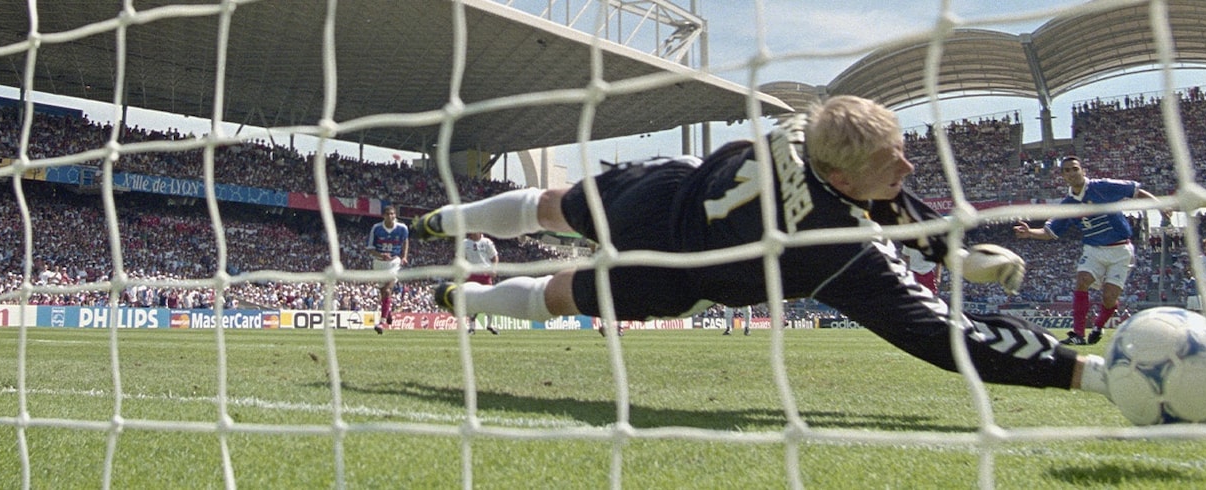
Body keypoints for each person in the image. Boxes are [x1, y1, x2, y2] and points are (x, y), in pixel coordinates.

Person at [409, 96, 1112, 397]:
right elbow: (939, 336)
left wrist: (951, 253)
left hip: (663, 192)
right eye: (891, 158)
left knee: (550, 206)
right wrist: (1077, 372)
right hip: (675, 271)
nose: (907, 165)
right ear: (843, 178)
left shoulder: (804, 127)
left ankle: (447, 219)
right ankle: (466, 301)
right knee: (559, 294)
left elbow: (879, 192)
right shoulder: (836, 247)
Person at [1012, 156, 1158, 345]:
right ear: (1063, 176)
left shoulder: (1102, 187)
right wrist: (1030, 232)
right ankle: (1078, 335)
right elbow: (1050, 232)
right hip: (1093, 249)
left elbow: (1136, 191)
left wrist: (1160, 206)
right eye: (1067, 170)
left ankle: (1098, 326)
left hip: (1120, 249)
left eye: (1075, 168)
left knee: (1109, 298)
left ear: (1083, 171)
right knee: (1082, 280)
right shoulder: (1068, 205)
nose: (1072, 173)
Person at [368, 205, 410, 334]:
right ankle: (388, 312)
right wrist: (381, 255)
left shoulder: (402, 228)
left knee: (387, 291)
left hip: (394, 262)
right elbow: (370, 249)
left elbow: (405, 241)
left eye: (393, 214)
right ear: (383, 216)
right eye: (388, 214)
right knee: (383, 294)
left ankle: (382, 323)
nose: (391, 216)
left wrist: (404, 256)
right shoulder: (376, 228)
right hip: (379, 263)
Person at [462, 232, 501, 335]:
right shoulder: (465, 243)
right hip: (472, 274)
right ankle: (471, 328)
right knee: (471, 301)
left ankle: (489, 325)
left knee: (489, 299)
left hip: (485, 274)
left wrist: (494, 269)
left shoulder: (487, 242)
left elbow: (495, 257)